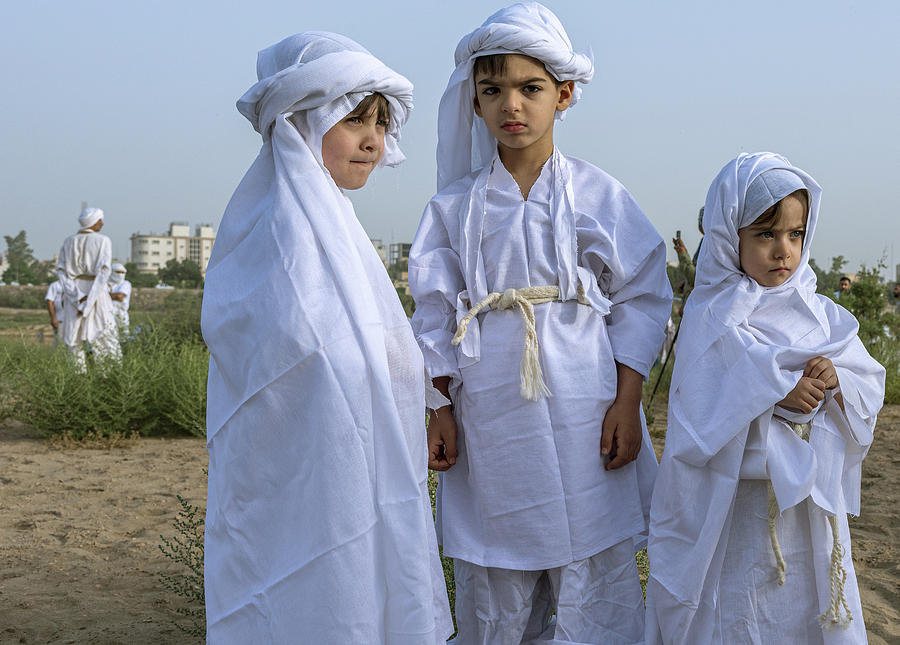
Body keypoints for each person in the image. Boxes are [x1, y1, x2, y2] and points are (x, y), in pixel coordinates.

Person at [408, 4, 671, 642]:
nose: (512, 105)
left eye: (530, 88)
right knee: (497, 580)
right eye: (493, 89)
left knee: (595, 572)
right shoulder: (452, 208)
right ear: (473, 101)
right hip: (493, 420)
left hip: (589, 409)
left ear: (565, 94)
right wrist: (438, 408)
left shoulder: (599, 195)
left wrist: (627, 404)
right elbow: (436, 312)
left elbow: (642, 296)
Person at [200, 32, 452, 644]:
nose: (373, 140)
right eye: (352, 121)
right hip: (305, 474)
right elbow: (284, 354)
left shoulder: (334, 223)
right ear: (304, 121)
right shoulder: (274, 225)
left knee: (360, 594)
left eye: (380, 123)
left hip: (356, 458)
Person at [646, 152, 885, 644]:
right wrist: (776, 391)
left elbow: (868, 383)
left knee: (804, 606)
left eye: (795, 235)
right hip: (735, 507)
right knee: (737, 609)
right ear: (729, 234)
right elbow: (698, 413)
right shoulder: (713, 315)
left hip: (806, 515)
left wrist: (834, 379)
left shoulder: (820, 313)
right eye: (765, 234)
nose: (783, 251)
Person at [56, 207, 121, 371]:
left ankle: (78, 376)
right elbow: (104, 272)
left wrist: (77, 297)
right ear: (95, 222)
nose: (102, 223)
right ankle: (107, 375)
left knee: (74, 339)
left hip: (74, 292)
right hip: (96, 292)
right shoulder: (103, 240)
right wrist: (88, 300)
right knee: (105, 336)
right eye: (100, 220)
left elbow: (61, 272)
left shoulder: (68, 241)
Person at [108, 262, 132, 337]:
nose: (120, 274)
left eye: (122, 272)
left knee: (123, 337)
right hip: (107, 314)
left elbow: (120, 296)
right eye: (118, 272)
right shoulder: (105, 284)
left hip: (120, 314)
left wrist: (104, 295)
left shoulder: (125, 284)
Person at [44, 280, 65, 346]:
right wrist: (53, 318)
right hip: (60, 320)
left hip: (73, 320)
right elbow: (50, 301)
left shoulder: (76, 283)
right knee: (59, 344)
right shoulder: (55, 285)